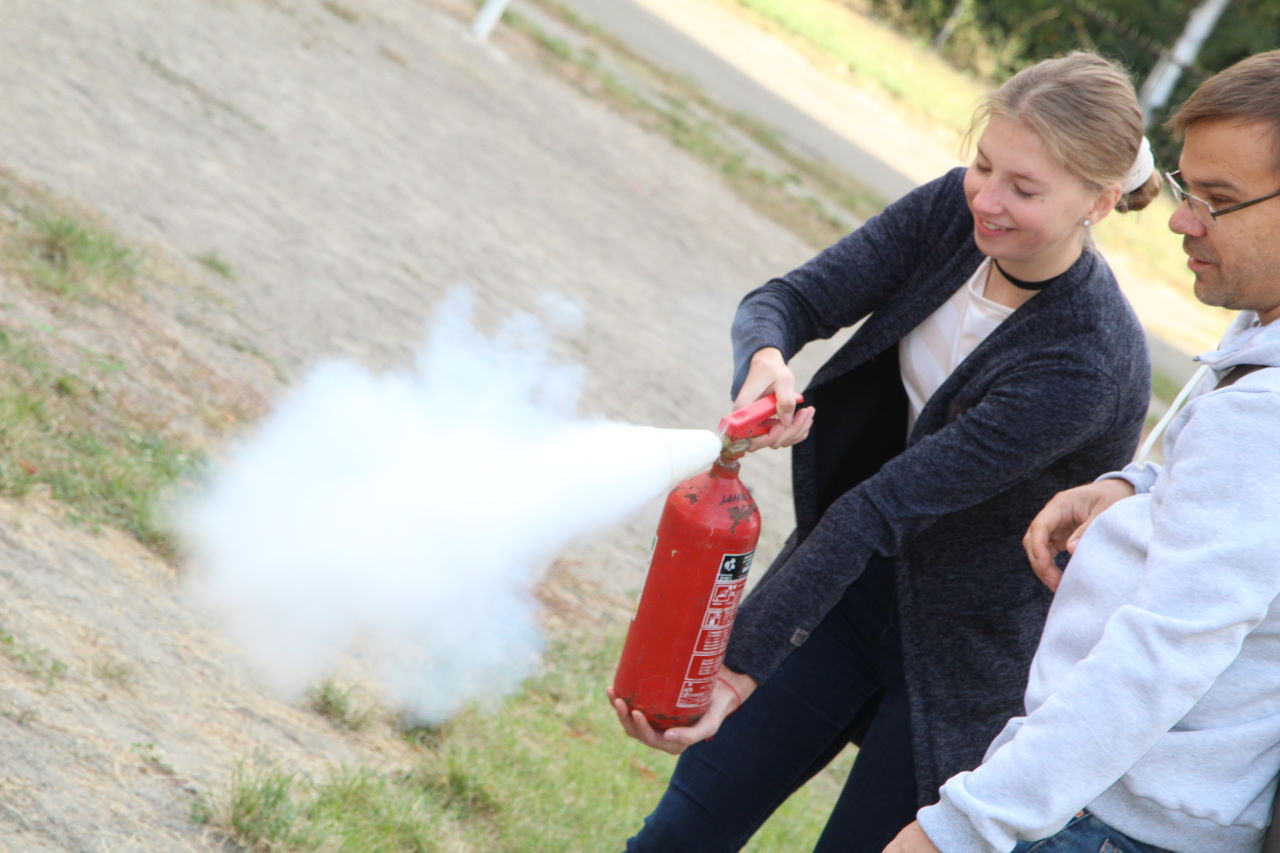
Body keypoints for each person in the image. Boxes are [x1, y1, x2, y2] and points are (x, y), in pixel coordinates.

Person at [609, 51, 1158, 851]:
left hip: (962, 652)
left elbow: (880, 507)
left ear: (1100, 202)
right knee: (682, 830)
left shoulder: (1089, 359)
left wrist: (737, 664)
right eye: (983, 165)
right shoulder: (953, 214)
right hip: (844, 588)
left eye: (1024, 188)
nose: (988, 200)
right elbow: (789, 300)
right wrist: (766, 359)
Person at [884, 49, 1280, 853]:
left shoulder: (1264, 414)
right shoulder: (1261, 330)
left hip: (1109, 813)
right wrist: (1135, 484)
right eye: (1187, 190)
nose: (1181, 221)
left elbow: (1165, 649)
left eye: (1218, 201)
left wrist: (962, 828)